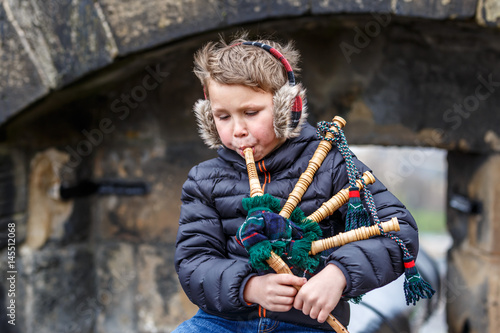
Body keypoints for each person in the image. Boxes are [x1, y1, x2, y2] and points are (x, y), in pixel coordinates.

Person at [173, 32, 419, 332]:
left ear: (286, 108)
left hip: (309, 324)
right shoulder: (204, 180)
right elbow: (193, 262)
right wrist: (250, 287)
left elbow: (398, 231)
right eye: (222, 117)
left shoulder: (331, 163)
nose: (237, 130)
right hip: (222, 322)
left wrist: (338, 274)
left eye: (250, 113)